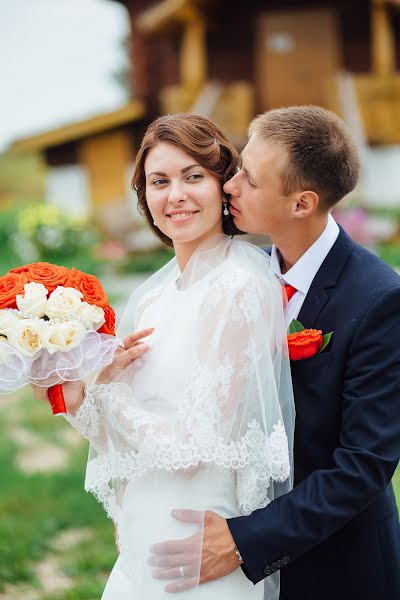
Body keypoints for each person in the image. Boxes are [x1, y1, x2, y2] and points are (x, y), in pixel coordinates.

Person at [38, 114, 295, 599]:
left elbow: (189, 447)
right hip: (143, 533)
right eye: (159, 181)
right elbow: (123, 436)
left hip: (197, 541)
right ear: (145, 198)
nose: (175, 194)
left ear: (225, 187)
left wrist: (107, 392)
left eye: (193, 176)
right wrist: (76, 394)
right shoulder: (152, 296)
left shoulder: (242, 284)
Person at [151, 106, 400, 600]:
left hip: (337, 567)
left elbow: (362, 466)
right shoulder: (244, 277)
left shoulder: (379, 300)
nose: (230, 186)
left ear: (302, 203)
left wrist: (244, 540)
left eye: (251, 179)